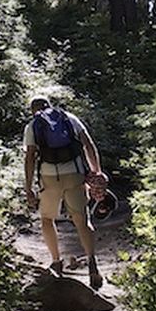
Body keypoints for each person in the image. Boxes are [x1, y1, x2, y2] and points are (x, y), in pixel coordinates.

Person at [23, 95, 108, 287]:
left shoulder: (33, 125)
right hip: (75, 174)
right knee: (81, 219)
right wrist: (97, 173)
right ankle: (93, 265)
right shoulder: (69, 118)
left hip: (49, 177)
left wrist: (28, 188)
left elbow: (30, 157)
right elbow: (89, 145)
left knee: (46, 219)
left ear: (32, 110)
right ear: (50, 106)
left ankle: (56, 262)